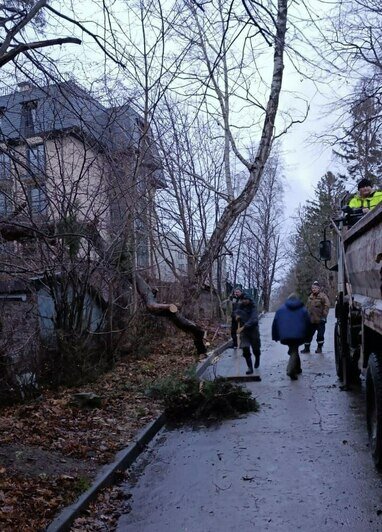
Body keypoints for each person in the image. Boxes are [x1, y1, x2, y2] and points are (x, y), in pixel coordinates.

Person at [272, 293, 311, 380]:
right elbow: (308, 323)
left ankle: (298, 369)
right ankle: (291, 370)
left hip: (285, 335)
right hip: (298, 335)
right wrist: (308, 335)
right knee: (294, 350)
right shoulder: (302, 309)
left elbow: (275, 323)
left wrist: (275, 336)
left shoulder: (281, 309)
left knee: (293, 349)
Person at [234, 294, 261, 374]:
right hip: (244, 332)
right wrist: (236, 316)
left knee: (256, 348)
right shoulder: (240, 307)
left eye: (246, 299)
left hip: (253, 330)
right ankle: (250, 367)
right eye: (243, 299)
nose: (244, 301)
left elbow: (254, 319)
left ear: (249, 300)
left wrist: (244, 327)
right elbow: (235, 313)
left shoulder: (253, 307)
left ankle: (257, 357)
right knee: (245, 348)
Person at [301, 281, 330, 354]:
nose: (313, 289)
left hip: (320, 320)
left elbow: (327, 305)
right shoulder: (310, 297)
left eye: (315, 288)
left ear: (318, 288)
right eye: (312, 288)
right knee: (308, 335)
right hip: (311, 320)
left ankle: (319, 348)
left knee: (320, 335)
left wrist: (324, 315)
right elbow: (307, 307)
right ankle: (306, 349)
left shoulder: (322, 296)